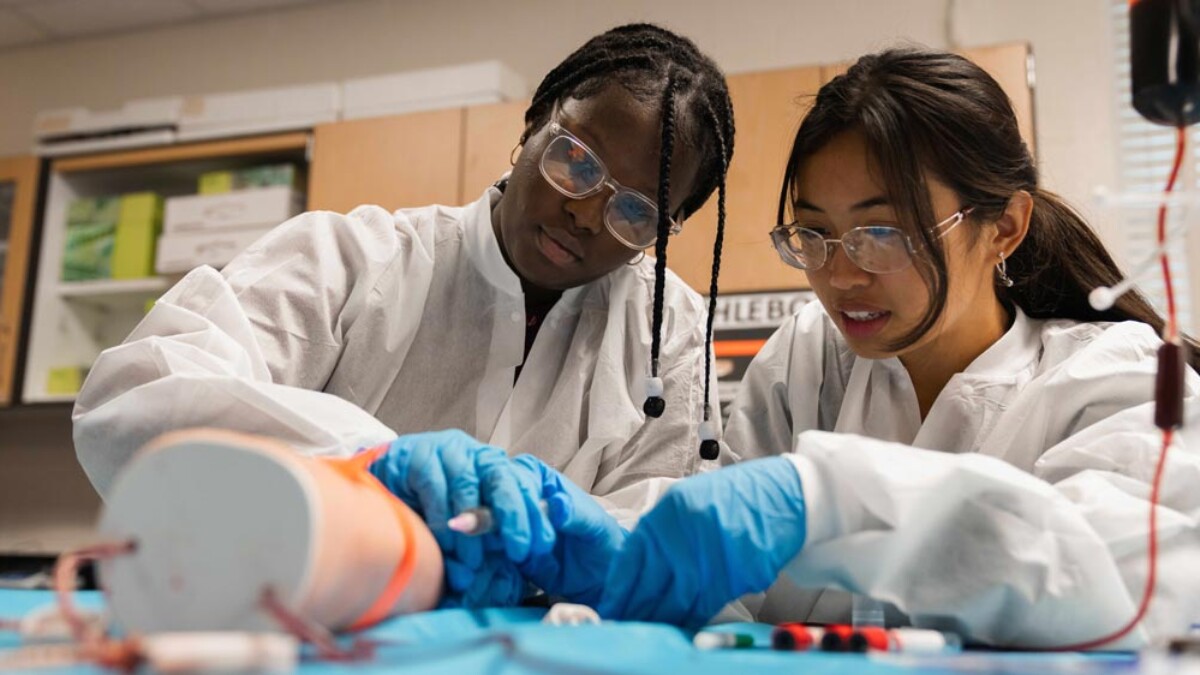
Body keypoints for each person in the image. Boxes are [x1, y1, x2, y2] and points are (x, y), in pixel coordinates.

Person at [72, 24, 735, 607]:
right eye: (576, 160)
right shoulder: (354, 258)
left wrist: (568, 542)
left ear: (666, 228)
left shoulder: (670, 337)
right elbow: (134, 395)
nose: (586, 213)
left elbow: (670, 538)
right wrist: (363, 458)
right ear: (534, 123)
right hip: (310, 632)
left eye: (634, 212)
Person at [596, 47, 1200, 648]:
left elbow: (1121, 589)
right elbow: (726, 576)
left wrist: (839, 501)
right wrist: (608, 549)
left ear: (1006, 227)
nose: (842, 276)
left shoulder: (1111, 377)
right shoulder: (808, 355)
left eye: (882, 233)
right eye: (816, 234)